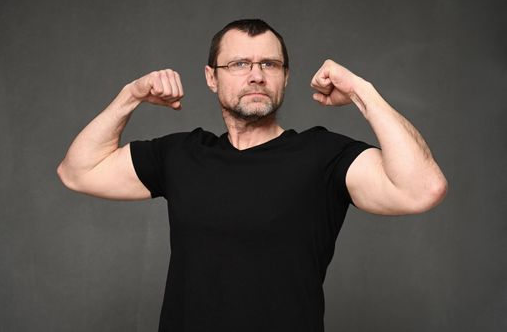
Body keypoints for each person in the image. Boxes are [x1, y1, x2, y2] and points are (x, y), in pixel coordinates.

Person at [57, 19, 447, 332]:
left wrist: (363, 92)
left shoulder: (323, 156)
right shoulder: (181, 155)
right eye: (239, 64)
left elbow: (422, 189)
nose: (256, 75)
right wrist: (131, 96)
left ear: (285, 77)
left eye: (269, 64)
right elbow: (78, 171)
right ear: (212, 78)